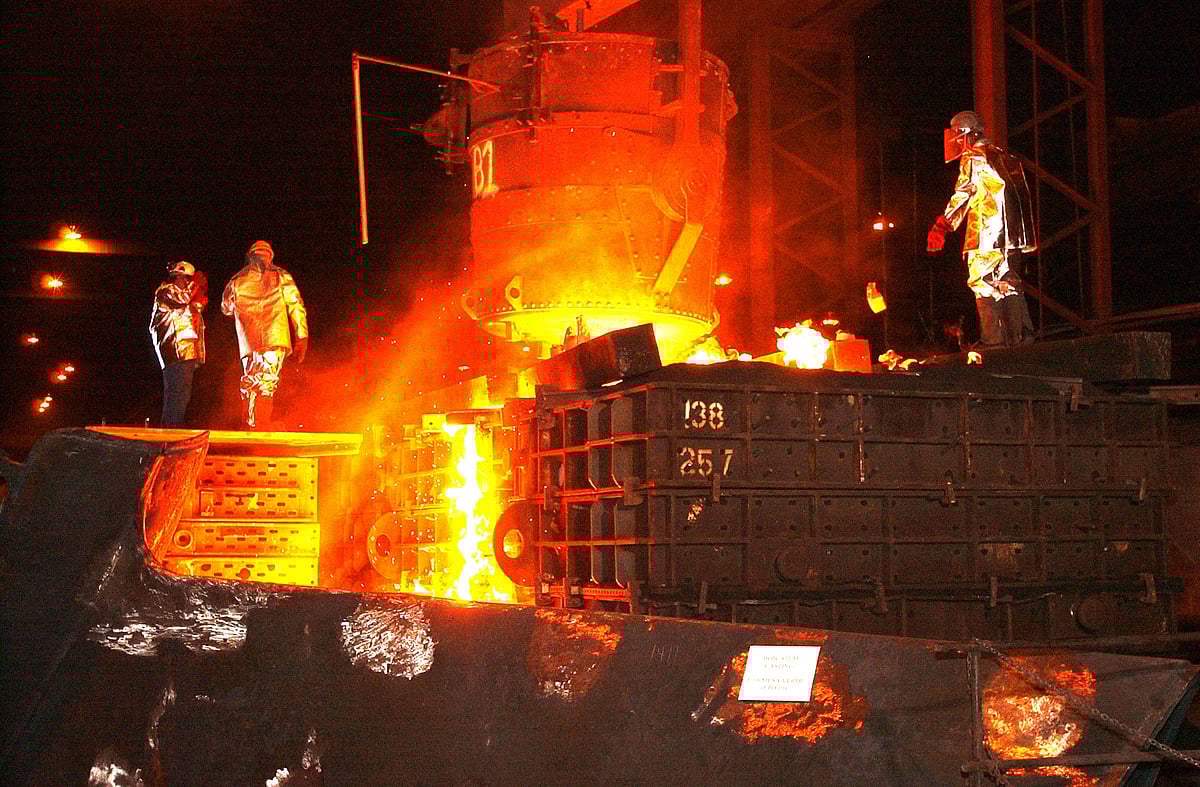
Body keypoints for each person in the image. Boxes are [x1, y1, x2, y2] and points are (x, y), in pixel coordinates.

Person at [927, 110, 1037, 348]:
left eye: (957, 137)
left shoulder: (973, 158)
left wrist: (943, 226)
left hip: (986, 235)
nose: (956, 143)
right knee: (1009, 283)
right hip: (1012, 237)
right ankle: (1021, 337)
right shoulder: (1004, 156)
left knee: (982, 283)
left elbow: (963, 194)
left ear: (965, 135)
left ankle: (993, 340)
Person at [221, 241, 308, 430]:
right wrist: (302, 336)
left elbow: (226, 308)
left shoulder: (237, 278)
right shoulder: (281, 275)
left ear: (250, 256)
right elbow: (296, 305)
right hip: (274, 337)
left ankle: (248, 424)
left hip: (248, 341)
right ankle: (262, 423)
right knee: (267, 380)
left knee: (250, 380)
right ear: (270, 256)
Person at [150, 260, 207, 426]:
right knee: (177, 395)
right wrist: (196, 284)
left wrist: (199, 294)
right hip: (176, 352)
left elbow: (193, 309)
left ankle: (171, 429)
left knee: (181, 395)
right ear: (177, 277)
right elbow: (182, 299)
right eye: (187, 279)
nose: (189, 283)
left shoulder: (178, 298)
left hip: (184, 352)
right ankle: (171, 431)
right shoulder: (166, 291)